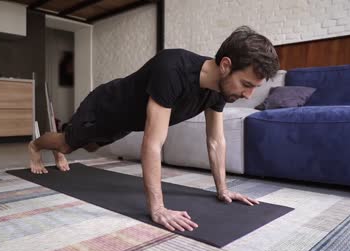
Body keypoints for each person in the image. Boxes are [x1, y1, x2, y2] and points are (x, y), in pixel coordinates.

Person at [28, 26, 280, 232]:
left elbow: (216, 141)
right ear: (225, 65)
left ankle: (61, 148)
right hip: (105, 106)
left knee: (92, 146)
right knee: (67, 143)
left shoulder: (220, 91)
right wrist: (158, 209)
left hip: (126, 122)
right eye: (246, 84)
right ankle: (36, 145)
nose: (248, 95)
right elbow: (153, 143)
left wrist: (223, 189)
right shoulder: (173, 67)